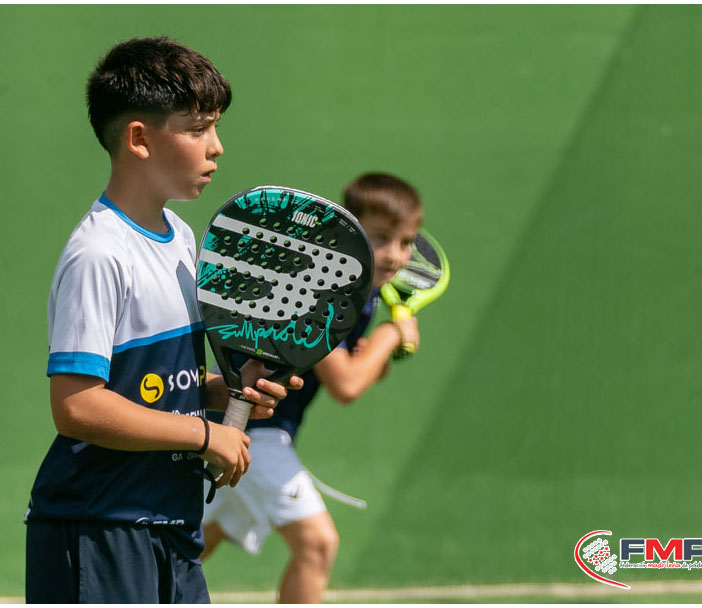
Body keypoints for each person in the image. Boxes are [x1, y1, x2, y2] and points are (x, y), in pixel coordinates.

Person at [23, 36, 303, 604]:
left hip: (171, 523)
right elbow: (77, 406)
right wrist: (205, 435)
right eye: (198, 129)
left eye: (215, 127)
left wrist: (225, 391)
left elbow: (154, 381)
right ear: (139, 139)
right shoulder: (98, 254)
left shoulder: (181, 238)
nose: (217, 147)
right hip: (99, 527)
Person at [202, 172, 423, 603]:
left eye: (406, 242)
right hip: (250, 429)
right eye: (380, 238)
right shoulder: (323, 292)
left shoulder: (363, 296)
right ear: (348, 238)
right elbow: (346, 385)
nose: (395, 255)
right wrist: (390, 336)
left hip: (251, 431)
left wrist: (372, 359)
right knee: (318, 545)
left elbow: (347, 369)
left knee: (190, 546)